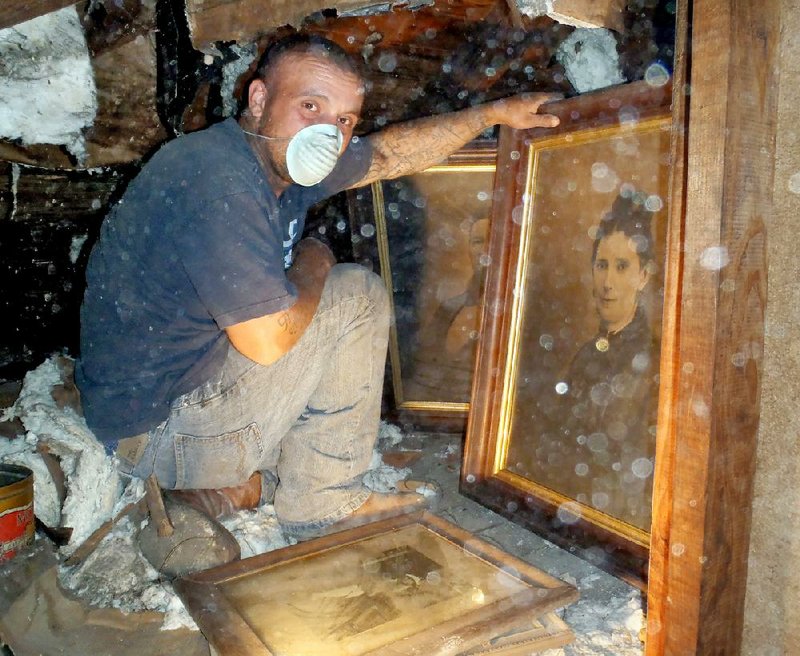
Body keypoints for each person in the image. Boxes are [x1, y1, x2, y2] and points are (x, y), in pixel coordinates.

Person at [75, 33, 560, 568]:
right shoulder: (219, 181)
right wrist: (315, 258)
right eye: (310, 107)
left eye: (345, 120)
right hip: (161, 434)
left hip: (157, 408)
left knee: (314, 312)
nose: (329, 135)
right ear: (258, 99)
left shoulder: (275, 160)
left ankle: (239, 489)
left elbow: (389, 153)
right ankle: (320, 502)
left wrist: (492, 114)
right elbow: (265, 343)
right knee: (353, 293)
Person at [543, 193, 660, 529]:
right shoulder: (585, 354)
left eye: (622, 267)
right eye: (602, 265)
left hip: (615, 522)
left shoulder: (652, 362)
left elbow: (628, 471)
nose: (608, 283)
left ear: (643, 276)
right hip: (573, 512)